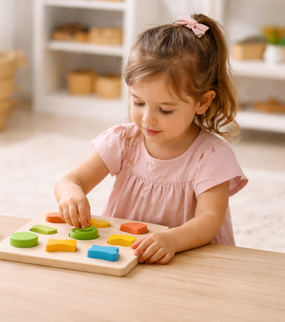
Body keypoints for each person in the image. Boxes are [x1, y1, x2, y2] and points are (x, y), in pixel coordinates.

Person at [54, 14, 248, 265]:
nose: (147, 119)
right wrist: (71, 193)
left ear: (202, 102)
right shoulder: (124, 140)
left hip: (190, 258)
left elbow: (210, 220)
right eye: (138, 102)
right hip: (126, 253)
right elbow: (70, 180)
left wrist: (172, 240)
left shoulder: (211, 156)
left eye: (165, 110)